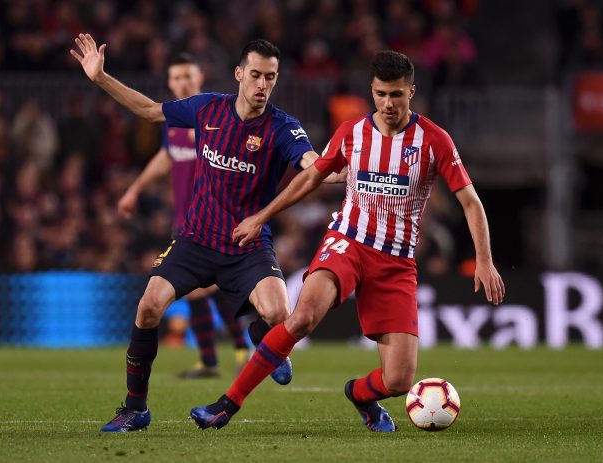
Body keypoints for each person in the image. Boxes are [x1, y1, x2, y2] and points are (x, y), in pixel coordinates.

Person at [190, 50, 505, 432]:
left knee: (400, 381)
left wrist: (484, 259)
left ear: (411, 92)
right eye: (381, 94)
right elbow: (309, 179)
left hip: (396, 263)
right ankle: (227, 403)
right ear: (372, 91)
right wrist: (262, 216)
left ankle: (358, 394)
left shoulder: (434, 140)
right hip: (347, 243)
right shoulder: (352, 133)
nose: (388, 104)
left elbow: (471, 202)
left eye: (397, 95)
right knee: (303, 317)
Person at [70, 34, 341, 432]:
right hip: (195, 239)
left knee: (280, 314)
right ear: (238, 74)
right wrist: (101, 78)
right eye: (255, 75)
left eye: (271, 77)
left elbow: (314, 165)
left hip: (247, 245)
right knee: (148, 307)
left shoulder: (283, 127)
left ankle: (266, 339)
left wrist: (355, 171)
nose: (262, 85)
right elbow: (148, 111)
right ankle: (135, 408)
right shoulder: (207, 108)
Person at [116, 52, 251, 378]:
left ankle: (235, 351)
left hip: (216, 219)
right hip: (186, 219)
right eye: (176, 77)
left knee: (202, 287)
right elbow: (166, 156)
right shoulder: (175, 121)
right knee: (200, 289)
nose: (182, 83)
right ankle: (228, 354)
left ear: (200, 78)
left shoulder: (217, 118)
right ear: (169, 83)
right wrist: (135, 188)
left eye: (188, 76)